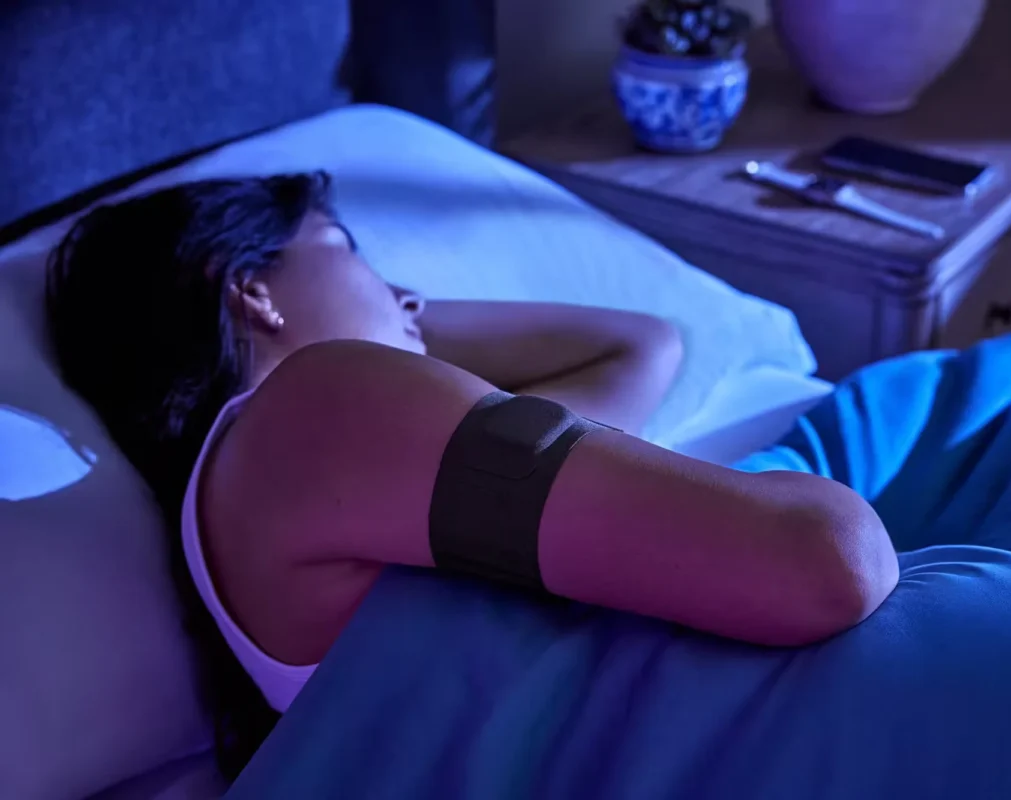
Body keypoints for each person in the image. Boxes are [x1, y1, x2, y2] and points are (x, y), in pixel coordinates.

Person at [45, 172, 898, 776]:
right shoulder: (312, 411)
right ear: (248, 289)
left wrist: (392, 318)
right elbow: (828, 560)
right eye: (352, 251)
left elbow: (641, 348)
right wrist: (376, 327)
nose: (410, 298)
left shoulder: (303, 478)